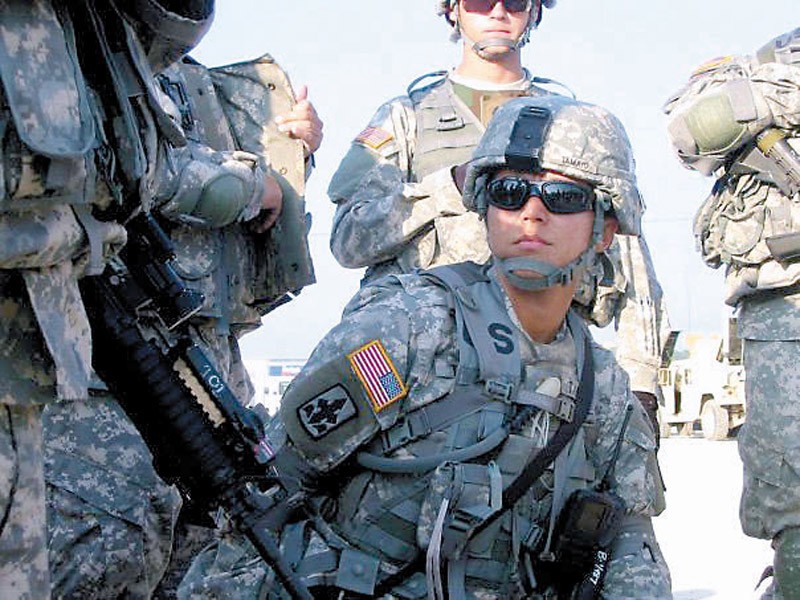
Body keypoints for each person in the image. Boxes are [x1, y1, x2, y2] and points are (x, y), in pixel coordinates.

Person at [179, 94, 672, 599]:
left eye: (563, 198)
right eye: (509, 192)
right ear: (482, 210)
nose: (531, 214)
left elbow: (630, 537)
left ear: (606, 229)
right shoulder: (410, 329)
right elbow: (264, 500)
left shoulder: (602, 386)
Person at [37, 9, 323, 598]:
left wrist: (293, 153)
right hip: (108, 361)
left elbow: (258, 220)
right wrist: (248, 184)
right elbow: (120, 166)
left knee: (202, 555)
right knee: (102, 554)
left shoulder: (200, 84)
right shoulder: (82, 55)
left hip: (203, 349)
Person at [327, 0, 671, 438]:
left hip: (546, 364)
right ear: (452, 10)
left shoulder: (575, 123)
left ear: (534, 12)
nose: (497, 12)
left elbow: (626, 245)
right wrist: (447, 186)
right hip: (428, 361)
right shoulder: (407, 118)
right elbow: (349, 240)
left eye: (514, 2)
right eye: (479, 1)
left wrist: (642, 385)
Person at [664, 27, 800, 598]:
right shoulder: (768, 64)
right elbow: (687, 129)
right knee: (791, 482)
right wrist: (782, 97)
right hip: (786, 302)